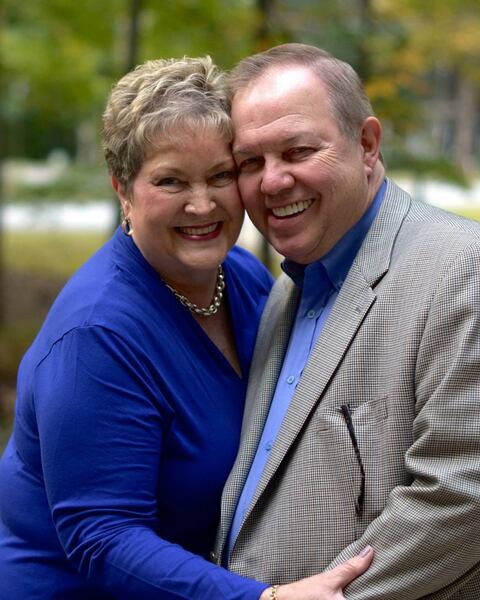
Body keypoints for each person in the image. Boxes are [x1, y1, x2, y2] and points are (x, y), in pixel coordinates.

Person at [214, 43, 480, 599]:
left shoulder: (467, 270)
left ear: (367, 144)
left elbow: (465, 491)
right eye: (250, 163)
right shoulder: (287, 293)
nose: (272, 181)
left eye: (298, 151)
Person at [0, 56, 372, 600]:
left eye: (221, 175)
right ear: (123, 190)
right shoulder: (96, 337)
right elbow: (102, 537)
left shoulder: (243, 278)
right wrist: (262, 599)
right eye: (171, 180)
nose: (203, 205)